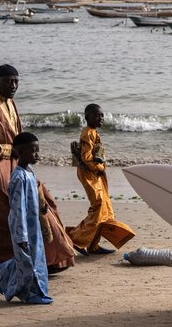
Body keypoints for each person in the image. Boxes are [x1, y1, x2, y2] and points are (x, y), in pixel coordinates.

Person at [0, 64, 74, 277]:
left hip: (14, 163)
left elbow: (17, 136)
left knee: (43, 199)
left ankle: (50, 258)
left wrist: (21, 155)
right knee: (1, 208)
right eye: (8, 81)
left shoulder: (10, 103)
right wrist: (14, 151)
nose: (13, 86)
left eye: (16, 82)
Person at [0, 132, 52, 304]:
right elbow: (17, 209)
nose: (37, 155)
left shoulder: (30, 172)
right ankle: (31, 294)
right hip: (22, 227)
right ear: (21, 152)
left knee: (36, 258)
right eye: (34, 151)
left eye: (38, 151)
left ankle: (0, 273)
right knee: (27, 261)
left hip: (34, 226)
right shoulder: (18, 177)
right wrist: (21, 234)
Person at [66, 104, 135, 255]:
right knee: (97, 207)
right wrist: (100, 168)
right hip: (90, 174)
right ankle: (74, 239)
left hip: (94, 175)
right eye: (97, 116)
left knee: (102, 208)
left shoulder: (93, 132)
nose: (100, 118)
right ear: (87, 118)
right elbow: (86, 158)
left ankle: (93, 245)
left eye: (102, 116)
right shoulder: (88, 133)